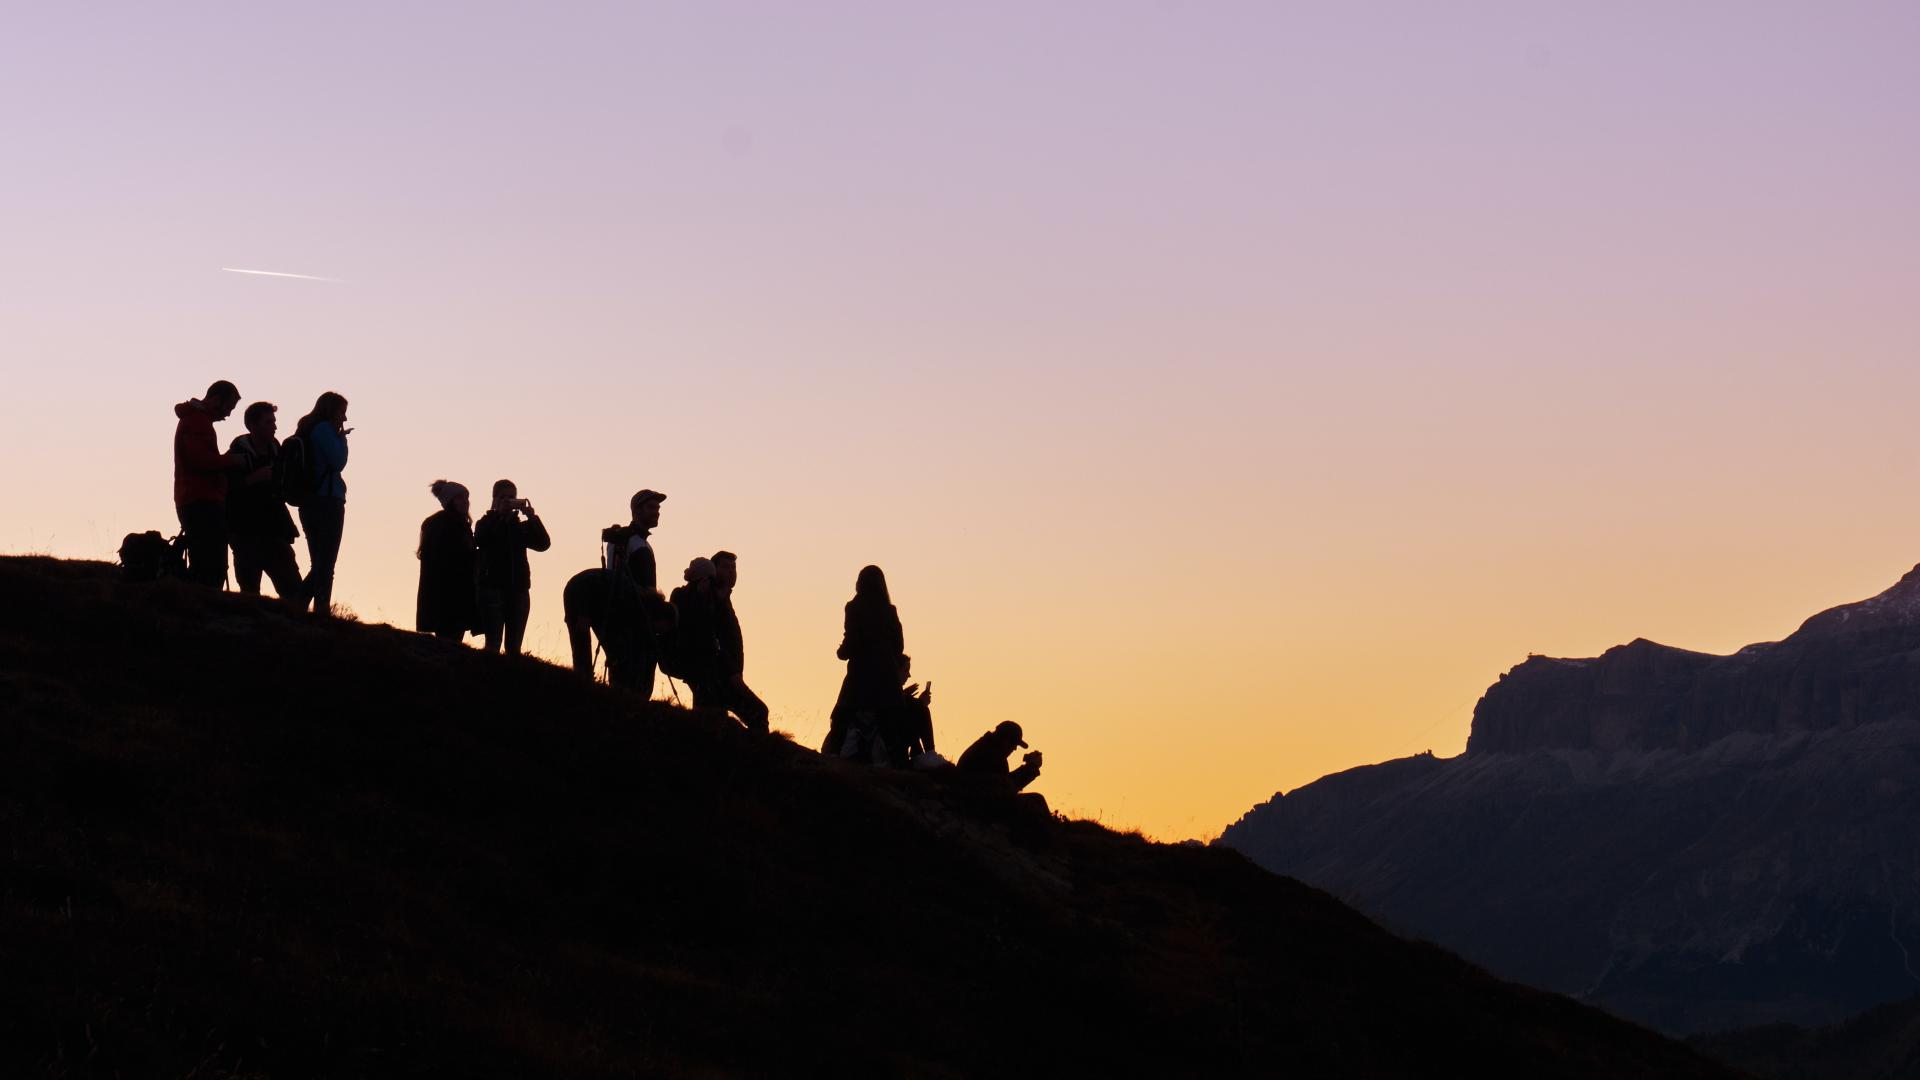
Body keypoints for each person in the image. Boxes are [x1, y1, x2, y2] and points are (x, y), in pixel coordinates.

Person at [225, 401, 305, 606]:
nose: (274, 426)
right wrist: (253, 479)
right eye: (268, 422)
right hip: (245, 531)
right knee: (250, 593)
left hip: (274, 530)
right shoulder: (236, 454)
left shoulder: (277, 451)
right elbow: (225, 489)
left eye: (274, 422)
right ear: (252, 425)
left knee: (294, 591)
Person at [824, 565, 905, 760]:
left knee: (841, 718)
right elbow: (899, 645)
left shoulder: (854, 607)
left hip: (861, 679)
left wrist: (841, 652)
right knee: (891, 730)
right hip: (888, 680)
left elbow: (851, 641)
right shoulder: (890, 610)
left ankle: (832, 760)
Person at [171, 380, 243, 588]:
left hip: (195, 498)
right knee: (211, 564)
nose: (228, 414)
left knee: (205, 561)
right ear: (216, 400)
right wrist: (231, 460)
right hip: (202, 500)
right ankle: (203, 607)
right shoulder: (197, 422)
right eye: (228, 407)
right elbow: (200, 461)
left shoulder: (195, 420)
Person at [600, 489, 671, 693]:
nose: (656, 512)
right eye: (651, 507)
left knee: (643, 670)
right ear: (636, 510)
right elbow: (614, 578)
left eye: (657, 508)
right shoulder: (624, 539)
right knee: (627, 671)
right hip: (628, 616)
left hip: (643, 615)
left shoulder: (641, 542)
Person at [473, 479, 551, 655]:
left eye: (512, 497)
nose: (508, 501)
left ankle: (512, 678)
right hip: (492, 588)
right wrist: (499, 517)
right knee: (493, 644)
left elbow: (543, 544)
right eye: (503, 497)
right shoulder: (485, 522)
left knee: (514, 647)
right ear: (494, 499)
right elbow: (480, 539)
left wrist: (532, 517)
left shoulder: (521, 527)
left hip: (519, 589)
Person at [294, 392, 350, 616]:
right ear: (332, 410)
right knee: (326, 562)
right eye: (342, 412)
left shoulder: (306, 428)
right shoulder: (324, 430)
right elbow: (338, 462)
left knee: (319, 560)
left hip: (308, 501)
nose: (344, 418)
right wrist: (342, 439)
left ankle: (308, 605)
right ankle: (312, 605)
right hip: (327, 500)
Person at [710, 551, 771, 735]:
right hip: (721, 676)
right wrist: (732, 673)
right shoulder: (713, 601)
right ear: (714, 570)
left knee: (715, 722)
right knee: (759, 712)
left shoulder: (723, 600)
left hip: (726, 675)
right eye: (725, 567)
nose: (731, 572)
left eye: (733, 567)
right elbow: (714, 640)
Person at [416, 480, 478, 643]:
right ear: (449, 501)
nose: (465, 501)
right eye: (459, 498)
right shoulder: (440, 524)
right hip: (446, 597)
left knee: (451, 643)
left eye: (466, 497)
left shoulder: (460, 525)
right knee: (448, 644)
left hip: (456, 596)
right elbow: (445, 560)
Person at [668, 557, 728, 708]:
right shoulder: (680, 595)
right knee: (704, 695)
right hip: (688, 655)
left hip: (704, 658)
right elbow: (692, 623)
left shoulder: (708, 599)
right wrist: (699, 597)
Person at [877, 654, 935, 767]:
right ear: (895, 671)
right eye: (905, 670)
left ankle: (922, 754)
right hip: (888, 742)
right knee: (921, 710)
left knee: (918, 708)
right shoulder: (885, 692)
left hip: (892, 739)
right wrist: (920, 703)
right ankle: (929, 753)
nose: (909, 675)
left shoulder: (889, 692)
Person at [958, 721, 1042, 793]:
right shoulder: (988, 753)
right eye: (1013, 744)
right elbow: (1005, 788)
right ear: (1004, 740)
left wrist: (1028, 768)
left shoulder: (988, 748)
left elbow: (1004, 782)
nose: (1015, 749)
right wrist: (1030, 768)